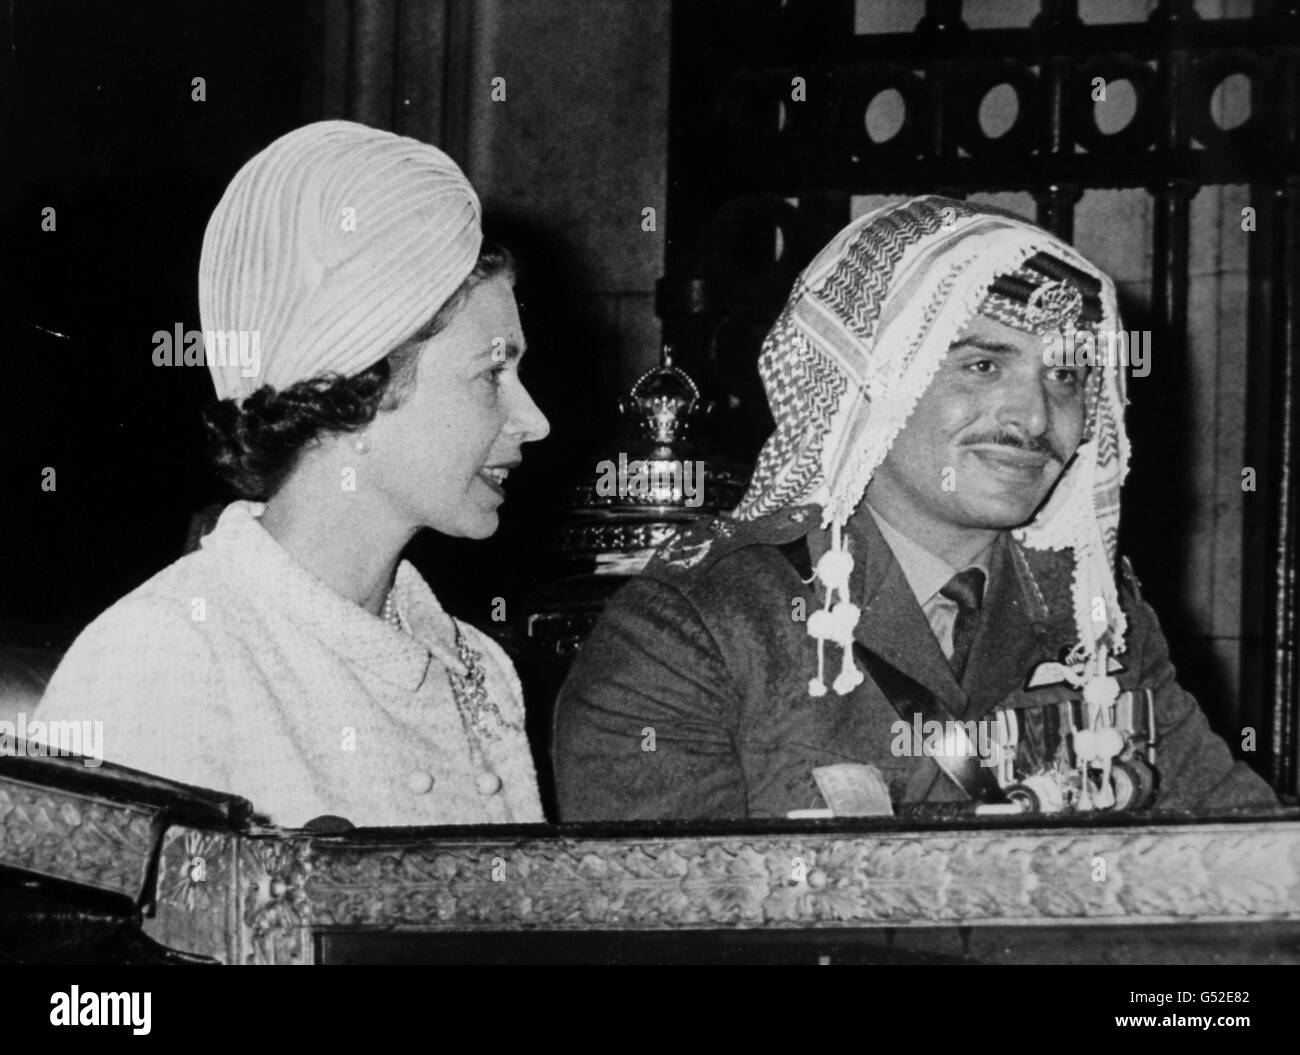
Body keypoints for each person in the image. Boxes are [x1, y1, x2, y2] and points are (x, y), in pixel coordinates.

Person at [553, 195, 1275, 821]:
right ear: (867, 382)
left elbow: (1242, 859)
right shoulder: (694, 628)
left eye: (1065, 374)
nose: (1033, 416)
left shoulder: (1095, 612)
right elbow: (666, 925)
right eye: (982, 364)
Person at [35, 121, 550, 828]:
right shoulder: (161, 662)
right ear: (360, 388)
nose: (534, 419)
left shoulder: (478, 671)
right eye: (491, 372)